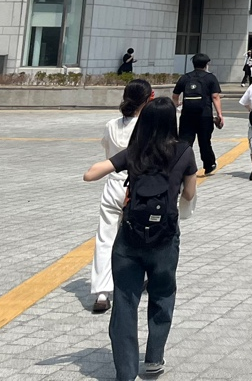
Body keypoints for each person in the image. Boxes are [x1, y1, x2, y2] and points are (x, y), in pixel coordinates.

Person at [83, 97, 198, 381]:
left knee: (125, 300)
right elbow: (189, 193)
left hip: (130, 237)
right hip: (165, 237)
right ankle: (154, 359)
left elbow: (90, 175)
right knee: (163, 294)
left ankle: (125, 372)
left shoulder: (134, 151)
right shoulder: (184, 151)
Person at [90, 78, 153, 314]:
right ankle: (141, 278)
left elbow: (108, 153)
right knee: (142, 236)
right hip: (138, 188)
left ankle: (102, 293)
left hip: (113, 184)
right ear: (147, 100)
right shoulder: (148, 126)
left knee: (105, 237)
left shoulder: (111, 125)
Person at [173, 53, 223, 176]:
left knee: (185, 141)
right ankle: (209, 165)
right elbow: (215, 97)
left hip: (187, 115)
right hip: (205, 115)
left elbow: (175, 96)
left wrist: (177, 106)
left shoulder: (185, 77)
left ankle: (181, 165)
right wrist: (219, 114)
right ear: (206, 64)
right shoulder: (210, 78)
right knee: (204, 141)